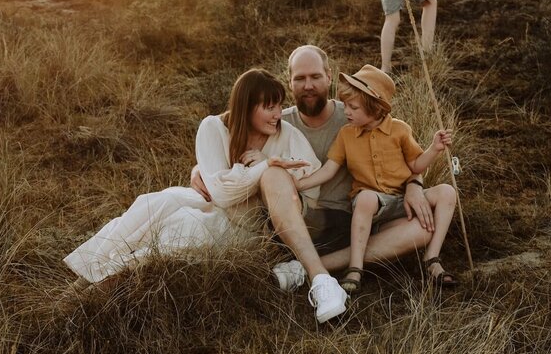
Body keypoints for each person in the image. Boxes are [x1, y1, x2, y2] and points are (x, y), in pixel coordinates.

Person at [64, 68, 349, 322]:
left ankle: (92, 297)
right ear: (246, 107)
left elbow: (310, 179)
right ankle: (82, 280)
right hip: (215, 206)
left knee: (175, 236)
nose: (277, 114)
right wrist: (263, 166)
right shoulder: (213, 127)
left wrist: (272, 176)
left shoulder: (285, 133)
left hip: (252, 225)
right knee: (153, 204)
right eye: (269, 107)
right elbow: (221, 194)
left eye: (279, 106)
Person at [192, 46, 450, 295]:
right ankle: (318, 265)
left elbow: (400, 154)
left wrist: (415, 184)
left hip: (362, 212)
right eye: (300, 78)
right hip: (301, 218)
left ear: (329, 76)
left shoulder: (353, 114)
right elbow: (237, 139)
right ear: (290, 82)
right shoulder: (279, 121)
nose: (308, 85)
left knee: (424, 229)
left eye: (315, 76)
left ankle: (309, 268)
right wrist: (198, 169)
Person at [285, 64, 459, 293]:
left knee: (447, 191)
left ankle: (432, 258)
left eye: (353, 107)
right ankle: (355, 267)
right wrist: (298, 184)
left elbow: (416, 165)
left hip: (400, 201)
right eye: (345, 105)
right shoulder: (347, 134)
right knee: (366, 197)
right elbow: (329, 169)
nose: (346, 111)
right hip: (370, 204)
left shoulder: (399, 130)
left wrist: (434, 149)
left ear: (375, 108)